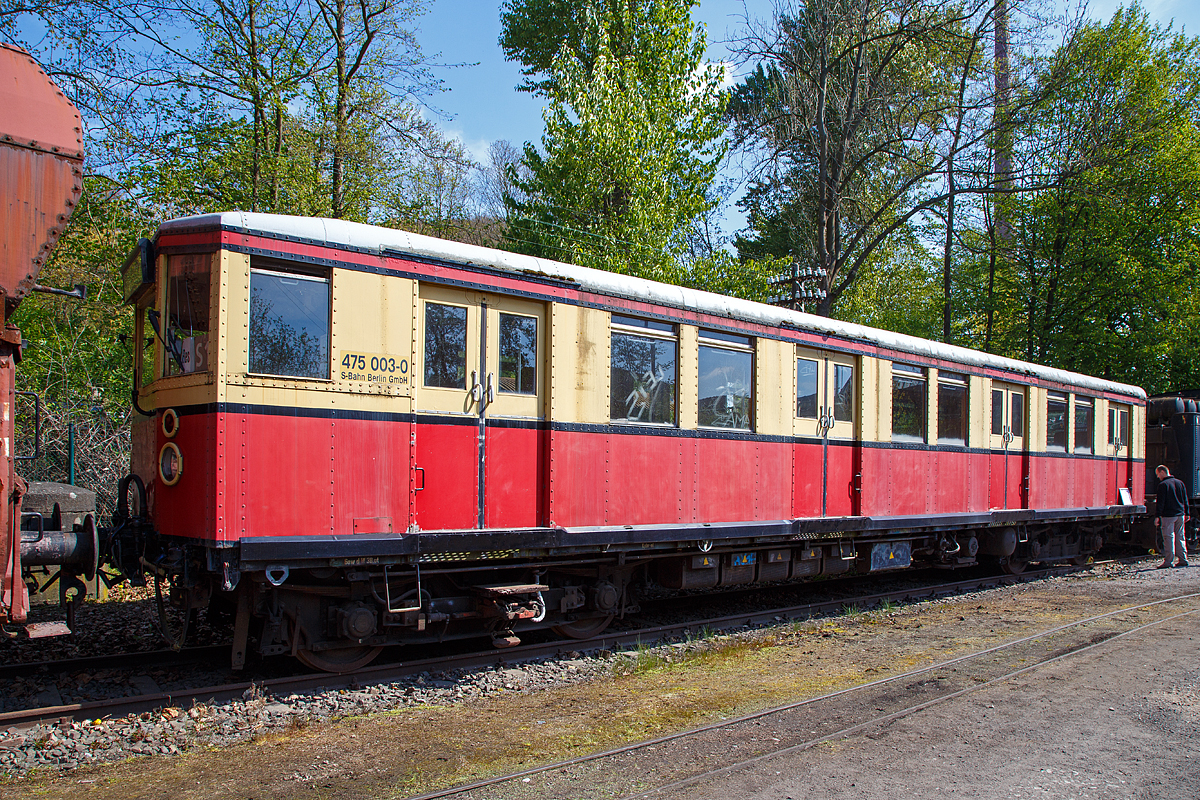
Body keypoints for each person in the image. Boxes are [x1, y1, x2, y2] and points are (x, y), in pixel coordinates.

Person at [1154, 465, 1189, 568]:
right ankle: (1183, 559)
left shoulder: (1163, 485)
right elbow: (1185, 499)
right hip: (1180, 515)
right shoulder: (1180, 483)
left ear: (1162, 472)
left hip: (1168, 516)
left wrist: (1157, 516)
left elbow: (1160, 502)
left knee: (1168, 537)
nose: (1158, 477)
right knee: (1180, 537)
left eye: (1158, 474)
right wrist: (1187, 512)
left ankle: (1169, 561)